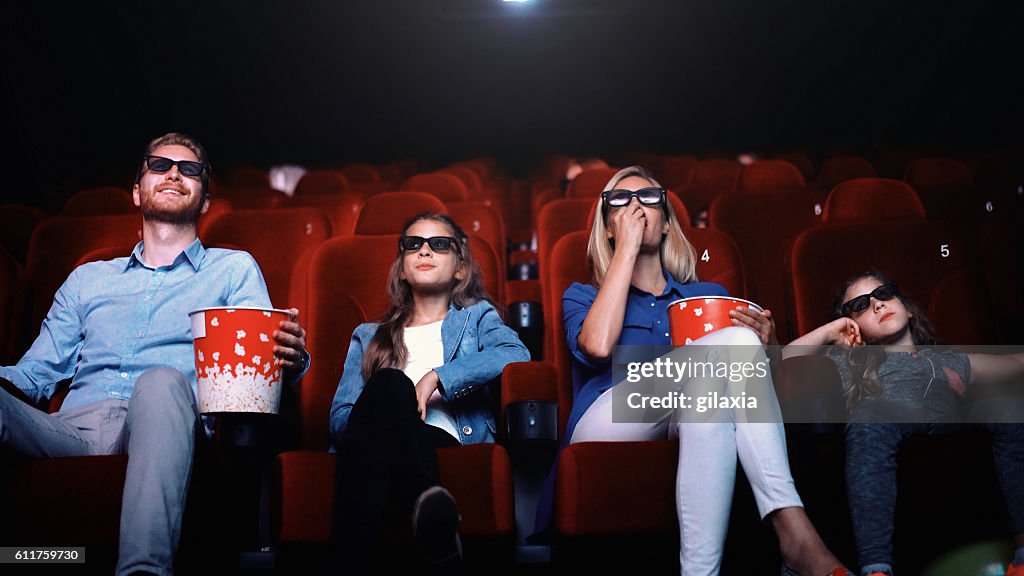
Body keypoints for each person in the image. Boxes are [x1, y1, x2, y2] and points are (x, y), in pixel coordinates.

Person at [0, 132, 310, 576]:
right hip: (72, 429)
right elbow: (32, 375)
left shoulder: (232, 269)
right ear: (136, 190)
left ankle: (143, 571)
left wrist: (292, 358)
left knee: (162, 380)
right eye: (159, 166)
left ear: (204, 199)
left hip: (169, 423)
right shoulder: (88, 279)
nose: (173, 175)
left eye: (190, 169)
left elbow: (261, 369)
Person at [536, 165, 849, 576]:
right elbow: (596, 346)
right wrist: (626, 253)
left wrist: (767, 344)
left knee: (711, 404)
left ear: (666, 223)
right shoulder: (583, 295)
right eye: (620, 203)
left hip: (686, 411)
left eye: (648, 199)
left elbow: (751, 388)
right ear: (609, 227)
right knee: (733, 349)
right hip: (609, 416)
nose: (635, 208)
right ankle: (792, 528)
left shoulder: (710, 296)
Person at [783, 271, 1024, 576]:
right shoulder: (851, 365)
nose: (877, 305)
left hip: (950, 432)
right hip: (887, 426)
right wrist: (832, 331)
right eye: (860, 305)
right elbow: (786, 363)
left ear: (908, 309)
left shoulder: (951, 361)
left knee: (1010, 407)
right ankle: (877, 570)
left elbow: (1017, 364)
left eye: (884, 294)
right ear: (855, 329)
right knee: (869, 417)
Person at [328, 212, 529, 575]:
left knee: (392, 386)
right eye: (413, 244)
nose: (424, 251)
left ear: (460, 268)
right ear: (402, 268)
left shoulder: (476, 318)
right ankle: (427, 501)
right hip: (372, 441)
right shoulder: (367, 335)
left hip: (442, 436)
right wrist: (391, 403)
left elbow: (515, 354)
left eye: (439, 244)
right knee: (390, 385)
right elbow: (341, 417)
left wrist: (438, 377)